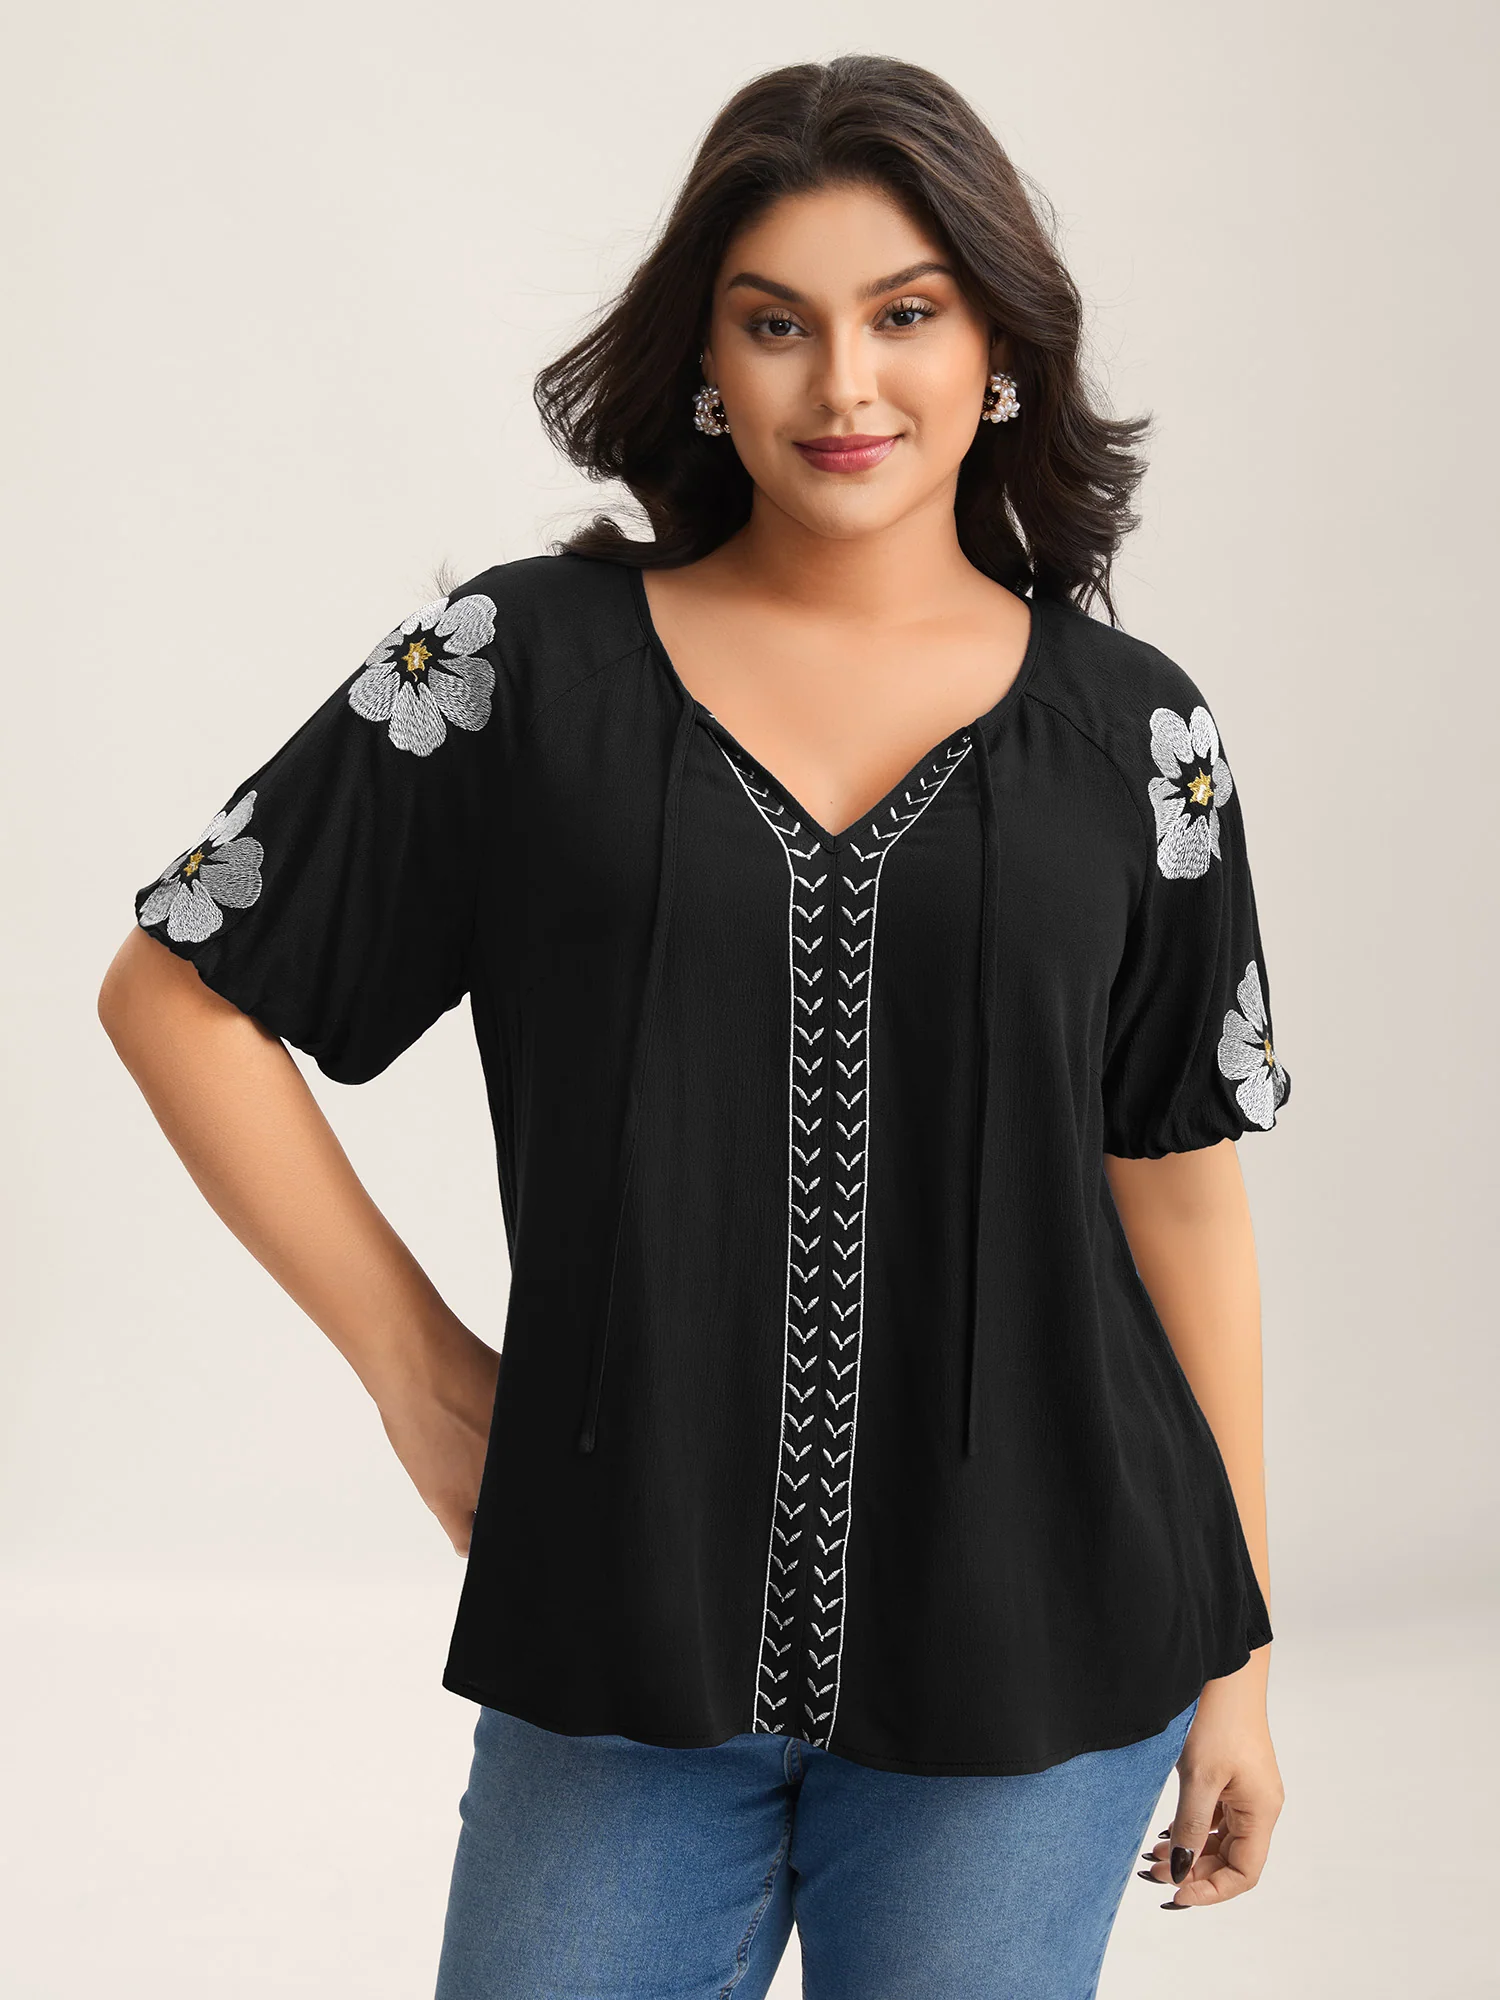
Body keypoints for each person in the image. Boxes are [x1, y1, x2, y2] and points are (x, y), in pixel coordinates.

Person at [97, 51, 1290, 2000]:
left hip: (1052, 1639)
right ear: (707, 363)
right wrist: (417, 1372)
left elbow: (1180, 1192)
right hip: (618, 1628)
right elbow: (177, 990)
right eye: (777, 322)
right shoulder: (517, 673)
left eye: (905, 313)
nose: (845, 386)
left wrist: (1237, 1658)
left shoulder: (1139, 735)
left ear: (997, 344)